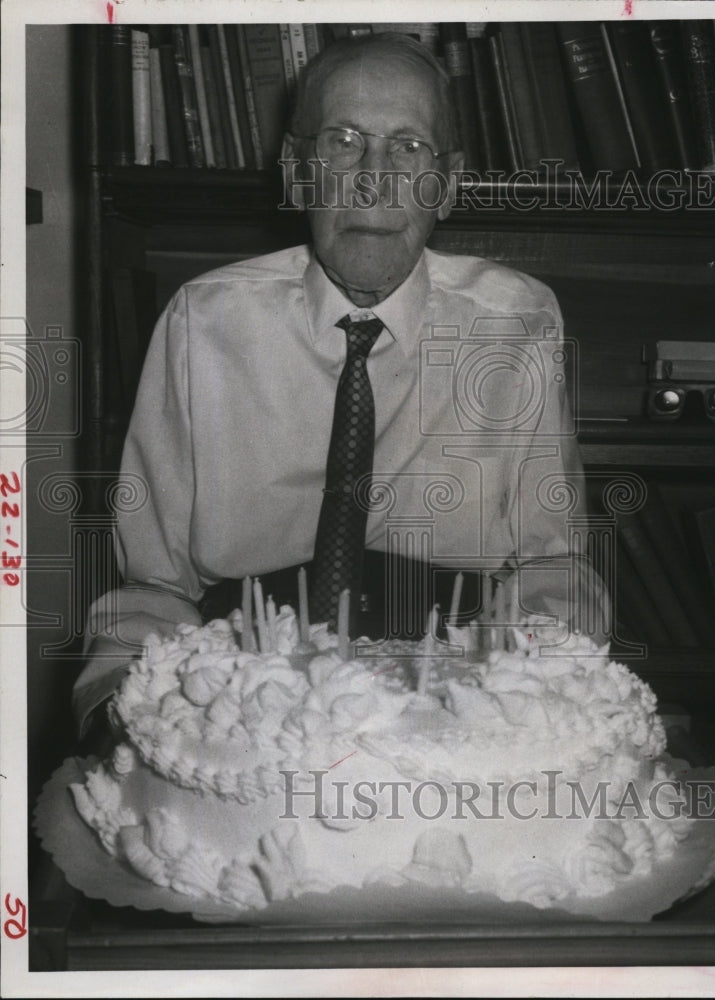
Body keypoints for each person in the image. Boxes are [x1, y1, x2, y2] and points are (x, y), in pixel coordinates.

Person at [73, 33, 608, 738]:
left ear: (445, 184)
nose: (374, 177)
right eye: (345, 141)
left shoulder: (515, 323)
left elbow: (554, 569)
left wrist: (532, 699)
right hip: (245, 692)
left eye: (409, 147)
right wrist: (122, 705)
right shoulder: (202, 320)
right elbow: (150, 586)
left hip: (455, 685)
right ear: (297, 169)